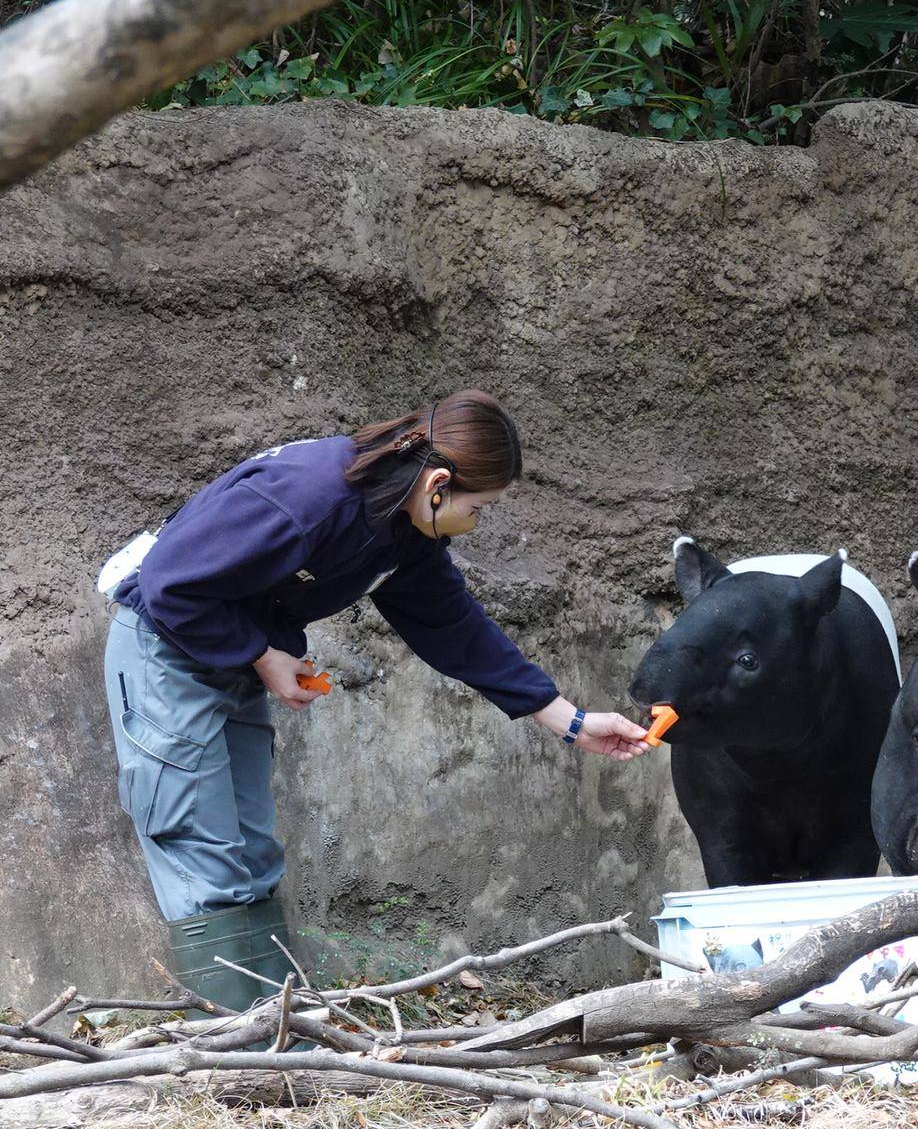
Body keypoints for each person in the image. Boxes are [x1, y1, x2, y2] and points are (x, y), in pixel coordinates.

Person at [100, 389, 649, 1014]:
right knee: (204, 859)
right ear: (438, 485)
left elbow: (454, 628)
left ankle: (274, 1039)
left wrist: (571, 722)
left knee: (251, 859)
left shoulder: (400, 528)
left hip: (234, 660)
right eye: (478, 507)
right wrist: (261, 653)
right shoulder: (310, 497)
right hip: (166, 650)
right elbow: (171, 584)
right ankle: (231, 1050)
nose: (477, 522)